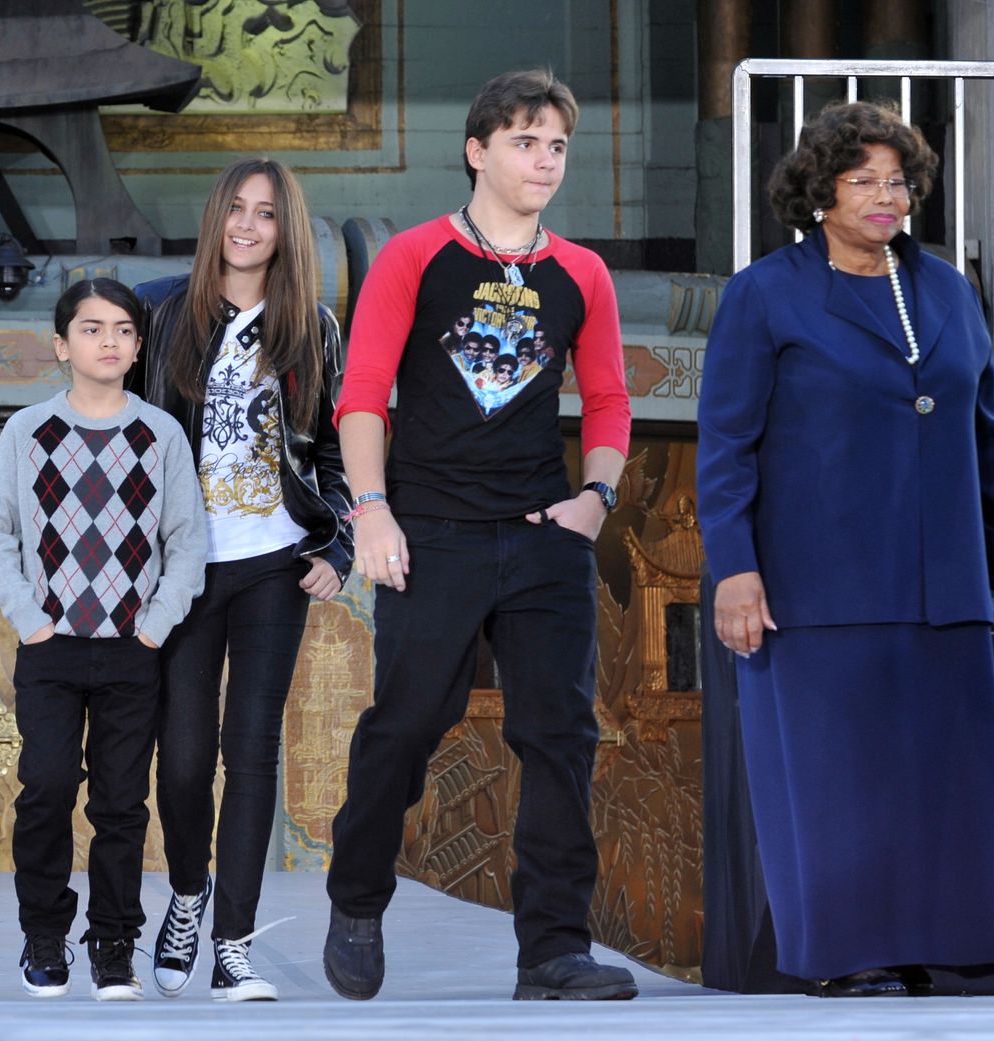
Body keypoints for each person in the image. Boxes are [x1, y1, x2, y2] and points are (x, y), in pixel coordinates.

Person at [696, 100, 994, 997]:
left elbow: (985, 431)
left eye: (897, 181)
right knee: (831, 782)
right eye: (862, 181)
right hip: (815, 582)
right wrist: (734, 566)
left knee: (936, 779)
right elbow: (726, 444)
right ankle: (844, 955)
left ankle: (925, 941)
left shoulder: (947, 289)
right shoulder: (766, 293)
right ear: (819, 193)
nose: (885, 197)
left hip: (940, 576)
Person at [322, 68, 638, 1002]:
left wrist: (597, 499)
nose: (544, 161)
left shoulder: (580, 272)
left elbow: (612, 398)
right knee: (406, 725)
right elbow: (362, 395)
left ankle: (552, 950)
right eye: (525, 142)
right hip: (432, 531)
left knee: (559, 735)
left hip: (545, 535)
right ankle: (356, 894)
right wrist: (371, 509)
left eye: (556, 147)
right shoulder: (416, 257)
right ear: (477, 150)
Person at [134, 157, 353, 1002]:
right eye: (235, 208)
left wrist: (332, 551)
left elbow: (336, 449)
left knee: (250, 750)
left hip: (273, 563)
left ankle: (233, 943)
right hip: (186, 567)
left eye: (265, 213)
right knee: (184, 759)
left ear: (283, 228)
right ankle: (187, 893)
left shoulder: (312, 329)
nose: (247, 225)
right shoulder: (166, 316)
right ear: (215, 217)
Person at [0, 279, 207, 1001]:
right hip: (51, 650)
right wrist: (31, 620)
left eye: (123, 330)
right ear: (60, 343)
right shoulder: (29, 433)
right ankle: (44, 933)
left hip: (131, 652)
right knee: (44, 786)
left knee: (120, 803)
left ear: (138, 348)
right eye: (90, 328)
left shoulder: (159, 434)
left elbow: (186, 542)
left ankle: (113, 943)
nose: (108, 341)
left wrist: (152, 629)